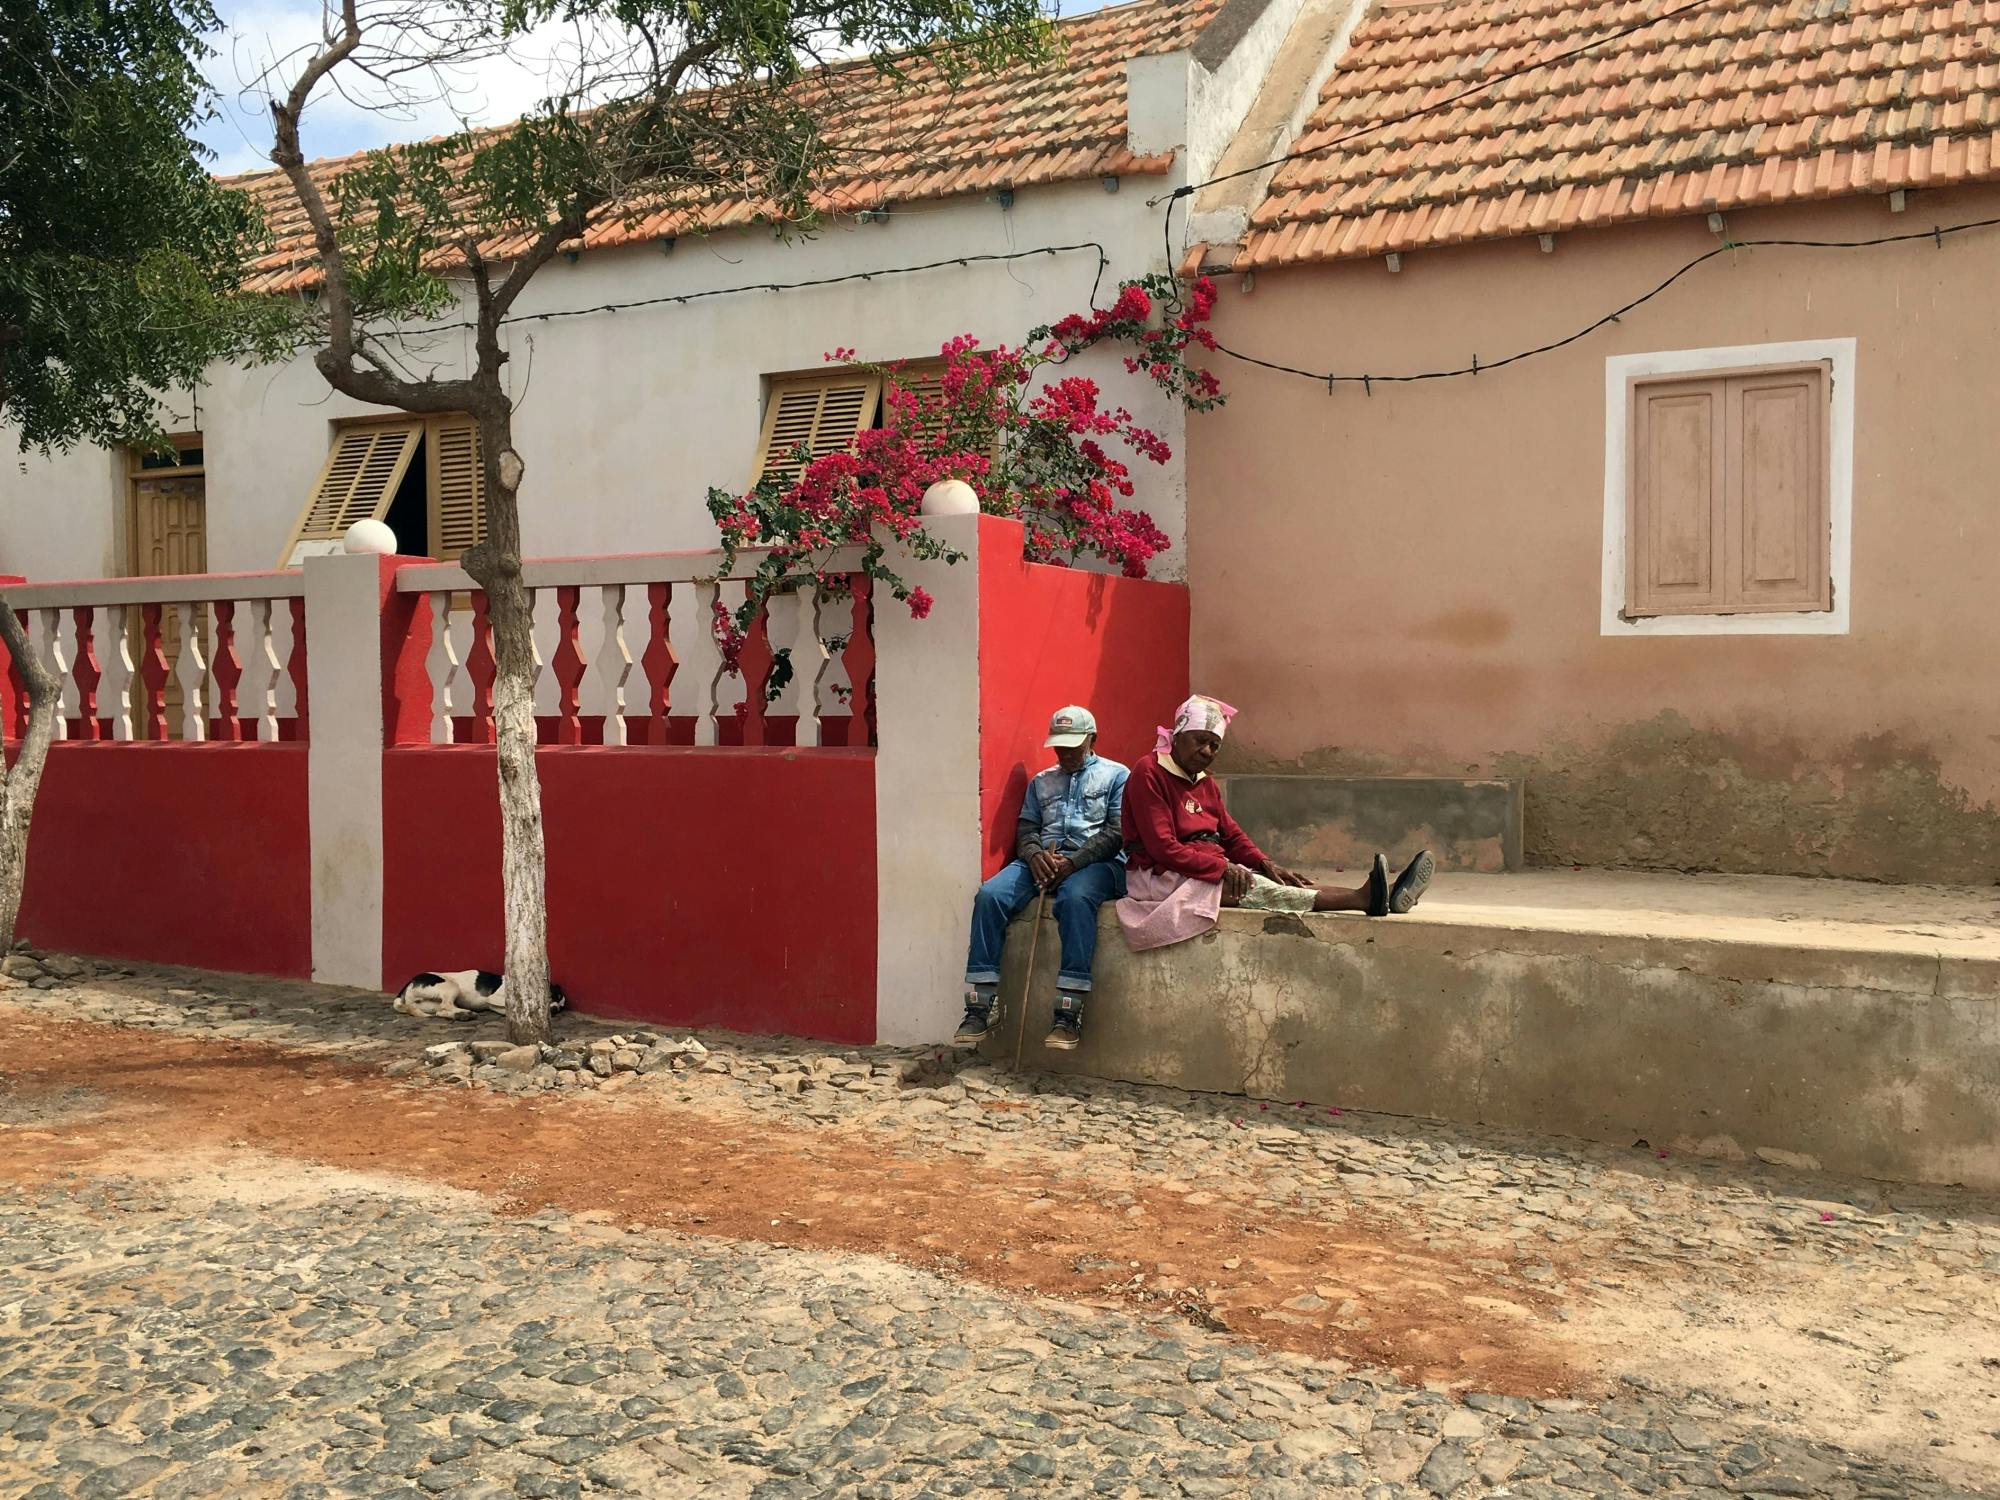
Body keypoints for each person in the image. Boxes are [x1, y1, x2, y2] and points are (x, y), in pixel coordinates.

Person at [1117, 694, 1433, 951]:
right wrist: (1224, 868)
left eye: (1215, 745)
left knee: (1281, 881)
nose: (1207, 751)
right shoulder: (1150, 771)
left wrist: (1264, 861)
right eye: (1200, 740)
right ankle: (1363, 899)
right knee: (1260, 890)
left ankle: (1382, 893)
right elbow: (1162, 847)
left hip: (1203, 866)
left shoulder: (1204, 781)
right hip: (1162, 875)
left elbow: (1229, 833)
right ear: (1180, 733)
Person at [957, 705, 1129, 1052]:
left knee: (1075, 899)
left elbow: (1116, 832)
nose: (1065, 753)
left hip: (1098, 863)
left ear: (1092, 739)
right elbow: (1027, 828)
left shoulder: (1117, 776)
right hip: (1045, 859)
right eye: (1060, 746)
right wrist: (1035, 856)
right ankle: (980, 1004)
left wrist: (1074, 861)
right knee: (990, 895)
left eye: (1073, 745)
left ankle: (1068, 1012)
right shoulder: (1041, 781)